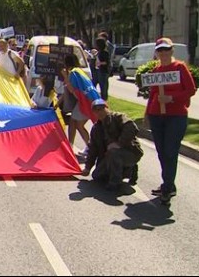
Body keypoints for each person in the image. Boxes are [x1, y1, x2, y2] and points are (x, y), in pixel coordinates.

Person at [145, 37, 196, 205]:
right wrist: (147, 115)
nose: (163, 53)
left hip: (176, 116)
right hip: (156, 116)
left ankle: (167, 187)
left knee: (170, 151)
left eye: (166, 50)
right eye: (160, 50)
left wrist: (171, 98)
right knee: (161, 152)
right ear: (157, 53)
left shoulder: (180, 68)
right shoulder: (156, 71)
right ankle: (168, 183)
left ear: (171, 51)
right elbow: (152, 94)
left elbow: (190, 90)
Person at [82, 99, 143, 191]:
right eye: (96, 110)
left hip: (130, 153)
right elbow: (93, 149)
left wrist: (119, 143)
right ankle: (128, 170)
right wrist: (87, 167)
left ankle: (115, 182)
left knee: (113, 152)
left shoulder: (118, 117)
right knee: (97, 176)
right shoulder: (96, 128)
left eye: (101, 109)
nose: (99, 112)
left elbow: (131, 127)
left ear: (107, 108)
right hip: (110, 157)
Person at [61, 54, 100, 154]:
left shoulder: (73, 73)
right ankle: (71, 145)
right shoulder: (79, 71)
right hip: (91, 100)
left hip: (86, 101)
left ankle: (90, 148)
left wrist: (65, 76)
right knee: (73, 122)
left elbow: (72, 90)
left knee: (78, 124)